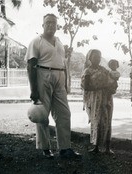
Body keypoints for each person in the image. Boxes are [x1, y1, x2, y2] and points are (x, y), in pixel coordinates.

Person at [25, 13, 81, 159]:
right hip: (43, 75)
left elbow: (63, 64)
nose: (51, 25)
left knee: (64, 113)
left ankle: (65, 148)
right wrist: (33, 89)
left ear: (57, 26)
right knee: (42, 114)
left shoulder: (60, 42)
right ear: (43, 25)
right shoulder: (36, 41)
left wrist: (66, 83)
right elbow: (31, 66)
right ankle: (45, 148)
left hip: (59, 77)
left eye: (53, 23)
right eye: (48, 22)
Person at [81, 49, 114, 155]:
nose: (97, 59)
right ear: (90, 58)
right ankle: (96, 146)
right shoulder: (87, 71)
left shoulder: (104, 70)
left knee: (107, 120)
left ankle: (108, 147)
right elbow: (86, 86)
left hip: (106, 98)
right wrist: (101, 86)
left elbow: (112, 81)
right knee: (96, 121)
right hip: (95, 99)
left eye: (99, 57)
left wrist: (111, 87)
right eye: (95, 57)